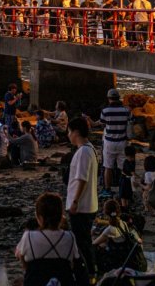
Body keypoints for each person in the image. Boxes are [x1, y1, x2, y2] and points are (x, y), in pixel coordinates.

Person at [15, 192, 80, 286]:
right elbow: (73, 262)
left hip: (36, 280)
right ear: (60, 216)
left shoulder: (28, 236)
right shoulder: (70, 237)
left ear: (40, 218)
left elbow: (19, 256)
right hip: (64, 281)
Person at [65, 116, 99, 279]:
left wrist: (75, 201)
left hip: (82, 206)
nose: (68, 135)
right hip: (87, 204)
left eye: (69, 131)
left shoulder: (84, 152)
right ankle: (90, 271)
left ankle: (89, 272)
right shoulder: (89, 149)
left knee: (82, 242)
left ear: (76, 132)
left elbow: (82, 178)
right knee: (84, 240)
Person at [93, 198, 143, 273]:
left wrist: (91, 234)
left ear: (106, 212)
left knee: (95, 248)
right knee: (104, 243)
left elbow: (94, 243)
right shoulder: (123, 223)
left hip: (118, 260)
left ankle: (97, 271)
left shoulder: (110, 230)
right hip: (126, 254)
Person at [99, 88, 132, 196]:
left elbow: (103, 124)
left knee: (108, 167)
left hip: (109, 143)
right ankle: (124, 189)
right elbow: (130, 123)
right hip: (122, 142)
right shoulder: (126, 110)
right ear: (119, 98)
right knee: (123, 167)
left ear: (109, 99)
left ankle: (107, 190)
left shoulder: (105, 111)